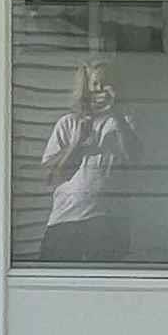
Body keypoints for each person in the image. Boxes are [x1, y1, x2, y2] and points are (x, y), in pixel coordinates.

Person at [39, 59, 136, 262]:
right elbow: (48, 178)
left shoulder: (124, 122)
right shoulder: (67, 123)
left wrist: (117, 114)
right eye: (95, 84)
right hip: (65, 219)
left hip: (109, 221)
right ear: (85, 88)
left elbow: (136, 161)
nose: (100, 89)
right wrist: (75, 144)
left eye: (106, 83)